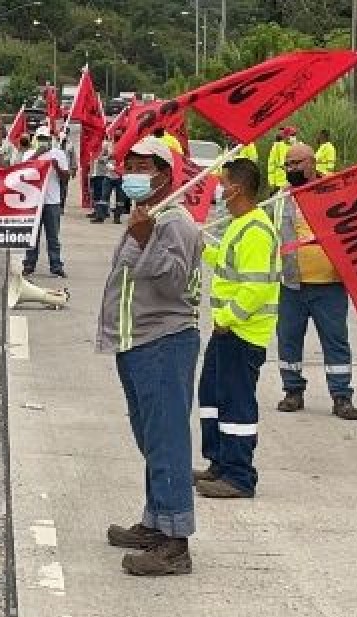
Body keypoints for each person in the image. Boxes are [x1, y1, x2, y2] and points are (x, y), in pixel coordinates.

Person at [98, 137, 203, 576]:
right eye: (131, 165)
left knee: (167, 441)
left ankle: (175, 542)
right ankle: (156, 522)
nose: (133, 175)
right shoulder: (146, 216)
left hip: (163, 342)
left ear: (164, 174)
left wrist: (147, 241)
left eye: (143, 166)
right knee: (151, 439)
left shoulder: (173, 223)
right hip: (137, 342)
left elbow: (174, 284)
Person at [194, 158, 280, 499]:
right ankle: (220, 462)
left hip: (242, 332)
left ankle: (240, 475)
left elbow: (255, 287)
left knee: (236, 404)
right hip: (226, 331)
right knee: (212, 397)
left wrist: (227, 318)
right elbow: (230, 264)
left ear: (237, 188)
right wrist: (205, 248)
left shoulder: (256, 230)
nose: (218, 188)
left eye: (222, 182)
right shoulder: (238, 224)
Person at [273, 143, 357, 420]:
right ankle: (292, 391)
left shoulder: (334, 192)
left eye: (297, 163)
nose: (292, 169)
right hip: (292, 284)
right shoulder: (281, 197)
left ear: (312, 163)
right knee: (288, 341)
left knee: (335, 342)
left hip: (329, 285)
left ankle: (341, 396)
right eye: (288, 164)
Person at [21, 126, 70, 278]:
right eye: (41, 139)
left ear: (51, 140)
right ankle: (29, 264)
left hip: (52, 202)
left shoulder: (59, 154)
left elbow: (66, 178)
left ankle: (56, 266)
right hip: (34, 201)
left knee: (53, 237)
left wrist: (57, 167)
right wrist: (37, 155)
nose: (44, 142)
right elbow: (22, 172)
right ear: (36, 140)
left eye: (46, 139)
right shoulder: (30, 153)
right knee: (32, 236)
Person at [266, 127, 293, 192]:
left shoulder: (293, 146)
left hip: (287, 181)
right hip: (281, 181)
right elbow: (274, 164)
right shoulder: (278, 146)